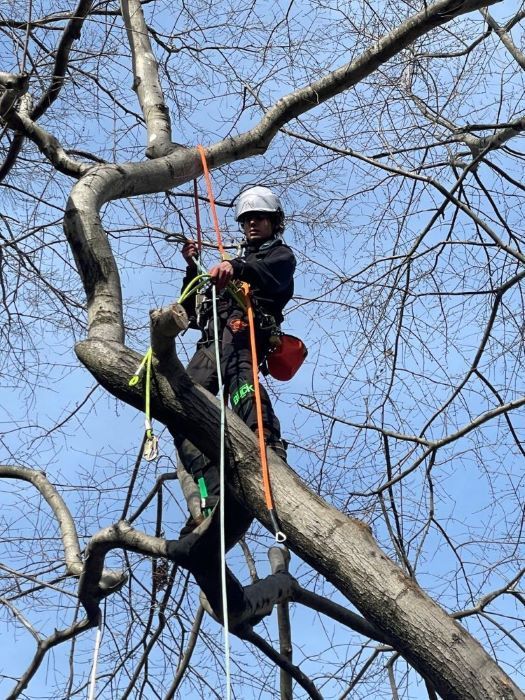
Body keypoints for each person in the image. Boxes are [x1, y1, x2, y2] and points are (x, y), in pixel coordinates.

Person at [175, 186, 296, 531]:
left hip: (245, 334)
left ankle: (268, 444)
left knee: (242, 385)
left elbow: (266, 273)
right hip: (212, 341)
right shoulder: (232, 265)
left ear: (274, 221)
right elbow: (189, 309)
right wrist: (192, 268)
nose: (252, 223)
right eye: (246, 219)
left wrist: (234, 266)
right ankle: (211, 493)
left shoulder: (279, 256)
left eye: (259, 217)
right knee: (180, 405)